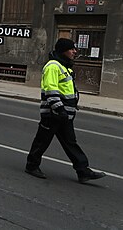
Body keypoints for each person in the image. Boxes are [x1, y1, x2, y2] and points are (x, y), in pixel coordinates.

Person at [25, 38, 106, 183]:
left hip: (64, 114)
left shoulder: (65, 66)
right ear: (63, 50)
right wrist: (59, 109)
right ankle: (31, 166)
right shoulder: (53, 66)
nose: (75, 51)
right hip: (53, 113)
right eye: (72, 49)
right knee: (42, 141)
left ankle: (83, 171)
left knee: (70, 142)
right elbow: (50, 89)